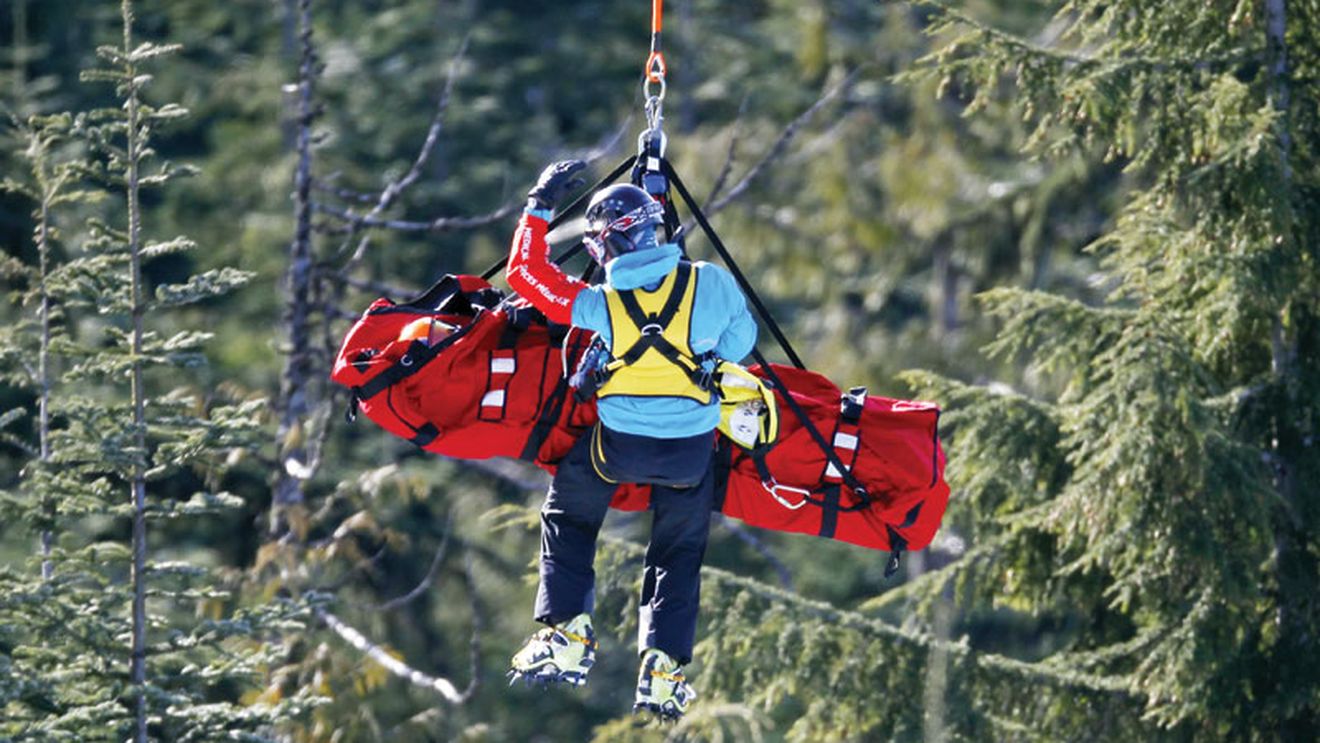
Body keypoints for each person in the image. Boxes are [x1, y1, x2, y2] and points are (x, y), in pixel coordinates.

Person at [504, 160, 756, 719]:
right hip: (693, 452)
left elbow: (524, 275)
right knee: (679, 551)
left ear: (599, 249)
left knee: (568, 517)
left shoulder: (599, 305)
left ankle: (567, 633)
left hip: (616, 447)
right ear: (655, 227)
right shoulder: (709, 282)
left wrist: (539, 203)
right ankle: (662, 671)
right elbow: (740, 345)